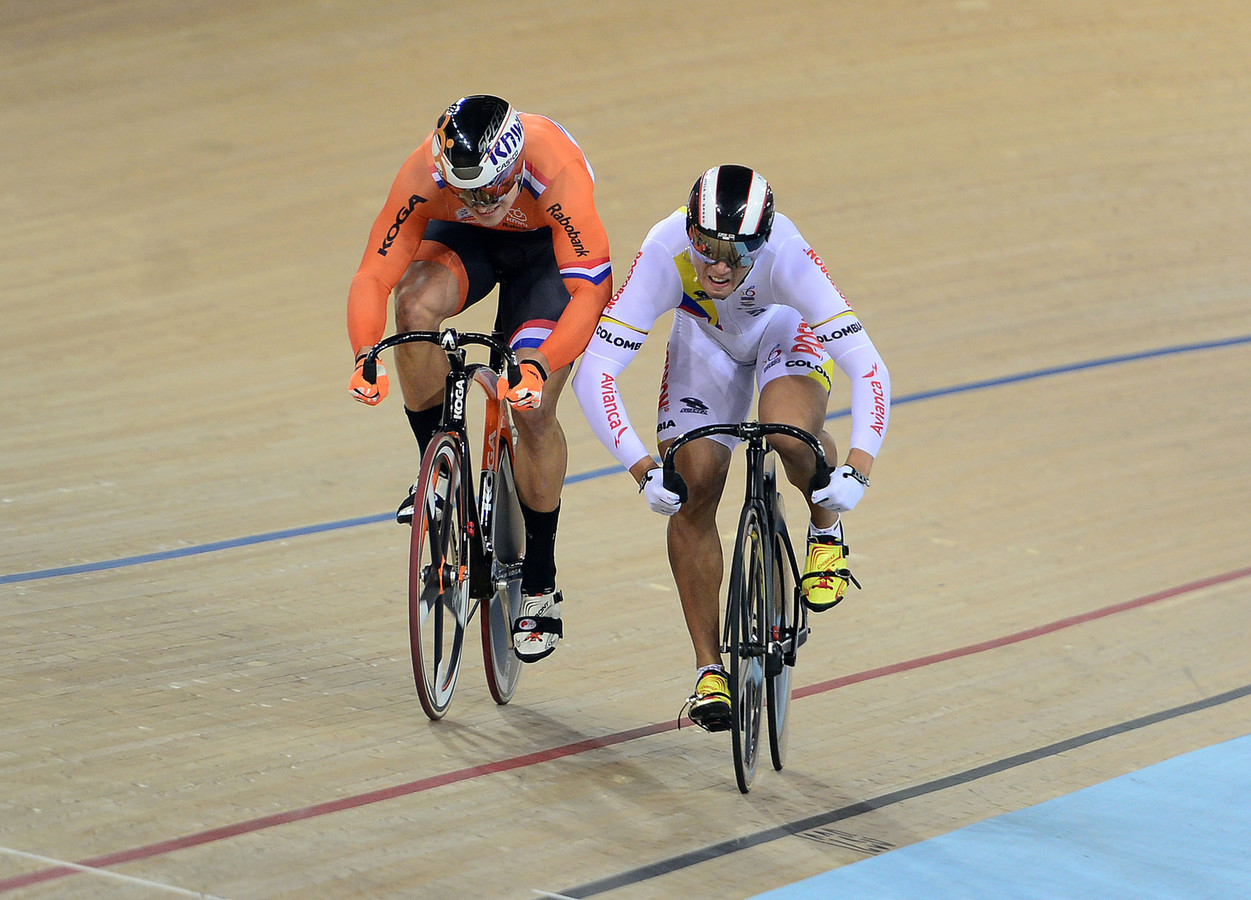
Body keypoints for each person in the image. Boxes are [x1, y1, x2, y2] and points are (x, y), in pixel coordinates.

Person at [571, 164, 890, 730]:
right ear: (689, 231)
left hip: (781, 330)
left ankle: (823, 527)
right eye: (707, 249)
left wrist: (858, 469)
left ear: (763, 242)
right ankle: (708, 671)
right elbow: (596, 370)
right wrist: (644, 468)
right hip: (705, 341)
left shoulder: (788, 256)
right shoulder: (665, 248)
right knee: (692, 483)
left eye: (737, 254)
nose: (719, 266)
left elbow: (867, 366)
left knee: (786, 434)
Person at [347, 95, 612, 663]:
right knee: (413, 310)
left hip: (546, 256)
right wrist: (364, 351)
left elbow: (592, 290)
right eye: (466, 192)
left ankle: (540, 576)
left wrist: (540, 364)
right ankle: (436, 477)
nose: (481, 201)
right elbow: (373, 274)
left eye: (490, 189)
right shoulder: (427, 172)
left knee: (532, 407)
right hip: (467, 243)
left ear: (514, 166)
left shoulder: (554, 168)